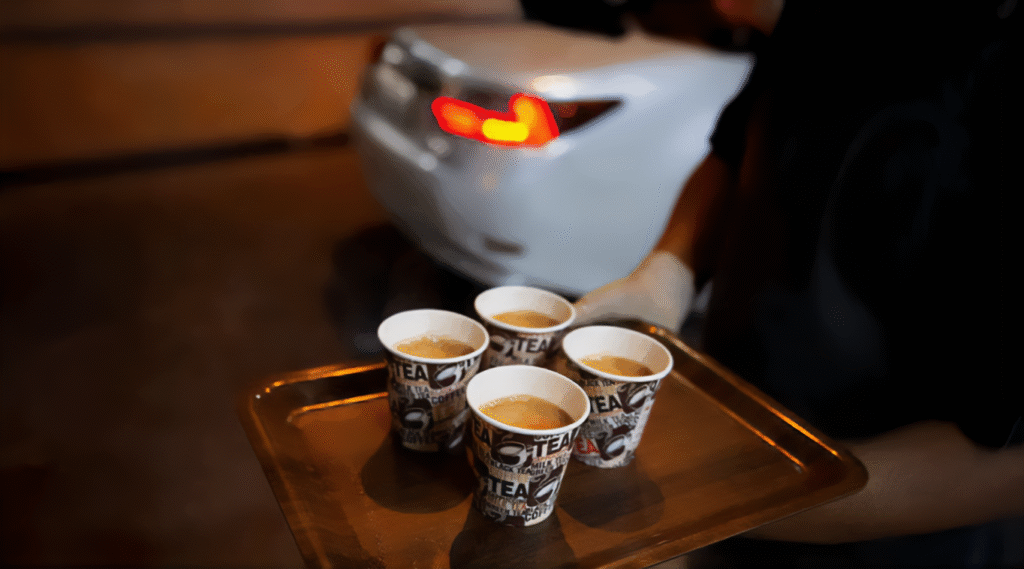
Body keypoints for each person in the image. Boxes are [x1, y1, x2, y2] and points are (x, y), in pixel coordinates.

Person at [571, 0, 1023, 566]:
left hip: (888, 532)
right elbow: (734, 149)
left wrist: (737, 504)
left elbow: (1010, 463)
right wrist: (668, 273)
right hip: (730, 481)